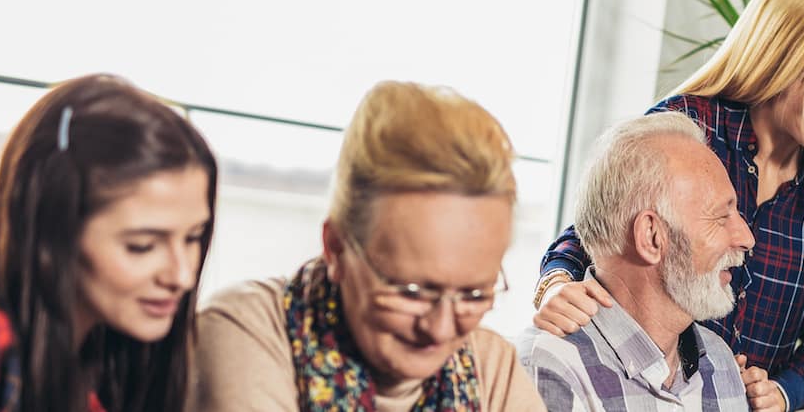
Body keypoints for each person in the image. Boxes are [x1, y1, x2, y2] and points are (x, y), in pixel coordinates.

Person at [532, 0, 804, 410]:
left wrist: (783, 392)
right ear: (774, 63)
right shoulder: (689, 129)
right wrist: (555, 284)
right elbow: (601, 229)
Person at [193, 81, 545, 411]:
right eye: (411, 292)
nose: (438, 329)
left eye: (473, 294)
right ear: (336, 248)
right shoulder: (246, 332)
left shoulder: (491, 365)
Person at [0, 74, 218, 411]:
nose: (181, 277)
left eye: (193, 237)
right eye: (142, 246)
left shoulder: (104, 368)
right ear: (54, 231)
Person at [519, 113, 756, 411]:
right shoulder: (550, 367)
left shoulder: (722, 365)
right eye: (722, 217)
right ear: (651, 237)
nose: (746, 238)